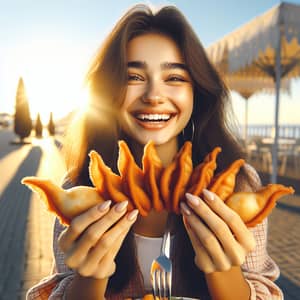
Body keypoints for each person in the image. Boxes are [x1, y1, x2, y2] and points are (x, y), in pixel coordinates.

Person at [27, 3, 283, 300]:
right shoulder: (79, 189)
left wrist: (224, 272)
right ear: (108, 91)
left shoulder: (238, 185)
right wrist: (89, 277)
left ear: (197, 91)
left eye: (174, 78)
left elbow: (266, 289)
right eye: (133, 77)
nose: (153, 96)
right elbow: (57, 287)